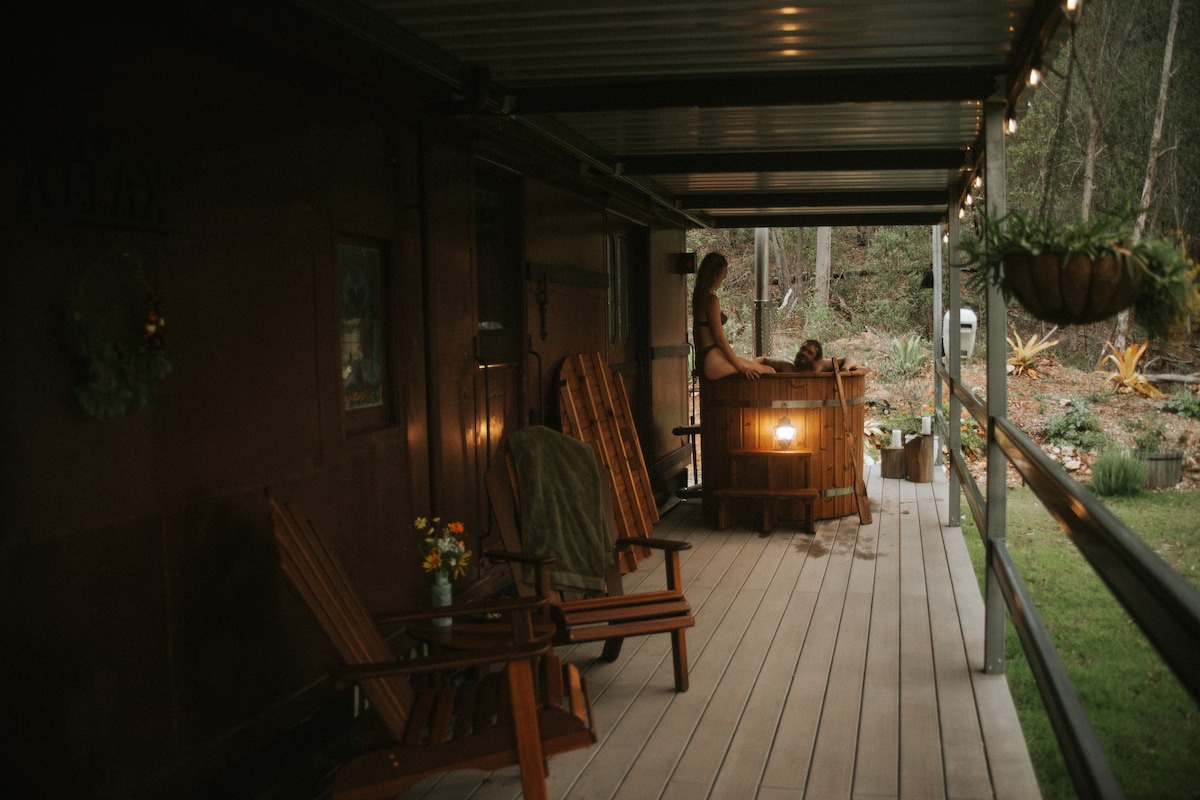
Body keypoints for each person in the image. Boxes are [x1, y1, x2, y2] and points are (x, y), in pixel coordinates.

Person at [692, 253, 776, 380]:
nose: (725, 276)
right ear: (716, 273)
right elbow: (719, 339)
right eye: (724, 272)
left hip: (706, 357)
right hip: (712, 360)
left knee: (761, 366)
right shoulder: (711, 300)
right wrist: (741, 367)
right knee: (769, 371)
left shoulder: (699, 298)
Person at [756, 339, 858, 373]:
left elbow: (850, 359)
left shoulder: (818, 366)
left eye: (810, 353)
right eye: (803, 349)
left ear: (816, 359)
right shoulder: (787, 367)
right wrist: (747, 366)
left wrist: (845, 368)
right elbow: (763, 359)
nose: (804, 353)